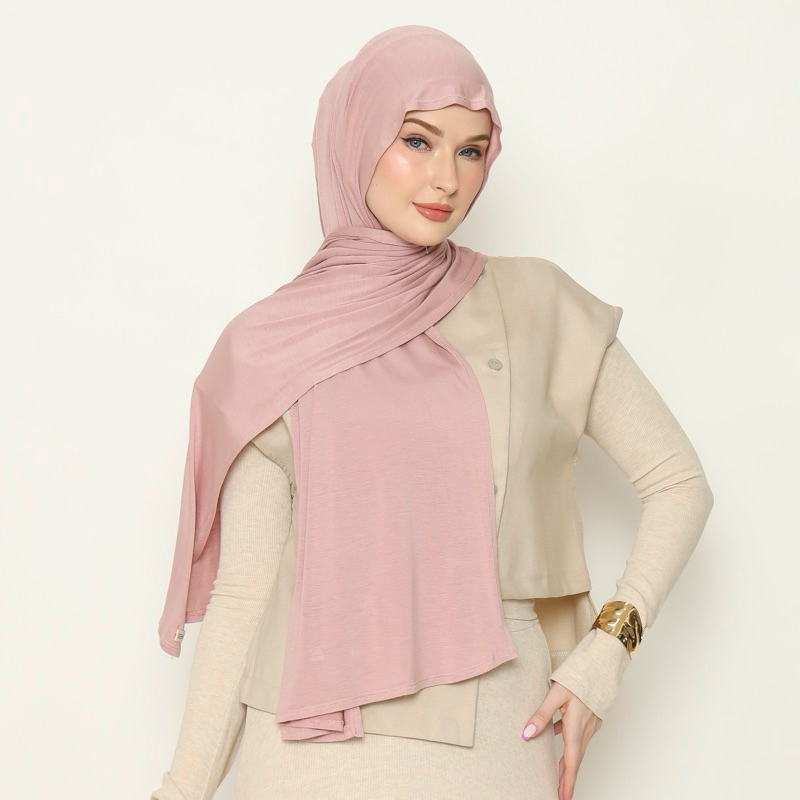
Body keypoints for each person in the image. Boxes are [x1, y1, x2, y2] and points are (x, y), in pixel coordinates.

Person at [151, 25, 714, 800]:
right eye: (417, 141)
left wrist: (606, 653)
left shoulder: (536, 306)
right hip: (303, 758)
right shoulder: (270, 346)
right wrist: (181, 790)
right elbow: (244, 597)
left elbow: (679, 483)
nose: (445, 178)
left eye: (471, 151)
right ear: (357, 137)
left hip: (493, 750)